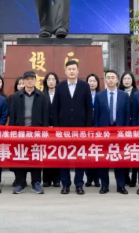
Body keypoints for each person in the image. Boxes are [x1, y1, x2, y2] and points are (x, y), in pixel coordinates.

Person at [52, 60, 93, 195]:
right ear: (65, 71)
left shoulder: (84, 86)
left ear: (78, 71)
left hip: (80, 128)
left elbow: (89, 109)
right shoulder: (60, 87)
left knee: (79, 158)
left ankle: (79, 184)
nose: (71, 71)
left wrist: (87, 128)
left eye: (73, 69)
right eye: (69, 69)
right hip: (63, 129)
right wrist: (57, 128)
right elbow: (55, 108)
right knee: (64, 157)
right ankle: (65, 184)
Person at [10, 71, 50, 194]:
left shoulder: (42, 96)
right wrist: (12, 131)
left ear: (35, 81)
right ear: (23, 81)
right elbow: (12, 116)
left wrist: (44, 132)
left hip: (36, 132)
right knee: (21, 156)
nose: (29, 81)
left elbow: (46, 116)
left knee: (36, 157)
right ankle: (20, 183)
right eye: (27, 79)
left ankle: (36, 183)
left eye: (32, 79)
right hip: (20, 132)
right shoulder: (16, 96)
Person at [93, 70, 130, 194]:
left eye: (113, 77)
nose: (110, 80)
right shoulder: (99, 95)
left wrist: (126, 131)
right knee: (104, 158)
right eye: (108, 77)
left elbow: (127, 115)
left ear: (117, 80)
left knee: (119, 158)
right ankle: (104, 185)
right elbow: (96, 116)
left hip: (119, 130)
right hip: (104, 131)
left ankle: (121, 185)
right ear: (105, 80)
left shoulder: (124, 95)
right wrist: (97, 132)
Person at [118, 71, 138, 188]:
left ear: (132, 81)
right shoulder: (118, 93)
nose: (126, 81)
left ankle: (134, 178)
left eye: (129, 79)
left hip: (133, 126)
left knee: (134, 153)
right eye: (124, 79)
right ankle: (125, 177)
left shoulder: (137, 93)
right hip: (122, 127)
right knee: (124, 153)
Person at [42, 72, 60, 188]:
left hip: (57, 128)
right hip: (46, 128)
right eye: (49, 79)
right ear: (46, 82)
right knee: (46, 153)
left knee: (57, 153)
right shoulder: (42, 95)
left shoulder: (60, 94)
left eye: (53, 79)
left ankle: (57, 179)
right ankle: (46, 179)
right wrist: (46, 125)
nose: (51, 82)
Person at [85, 73, 101, 188]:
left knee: (97, 153)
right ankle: (89, 178)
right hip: (86, 128)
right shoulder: (84, 95)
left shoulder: (100, 95)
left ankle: (96, 178)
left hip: (98, 128)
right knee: (87, 154)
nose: (92, 83)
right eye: (90, 81)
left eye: (94, 81)